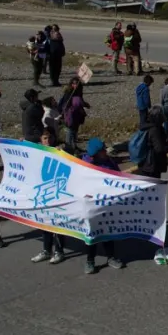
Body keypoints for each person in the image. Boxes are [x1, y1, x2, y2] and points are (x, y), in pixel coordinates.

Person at [82, 138, 125, 273]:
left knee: (108, 232)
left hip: (107, 204)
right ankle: (90, 261)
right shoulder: (85, 165)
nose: (105, 152)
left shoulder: (109, 162)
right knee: (92, 234)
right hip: (91, 205)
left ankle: (111, 257)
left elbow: (120, 177)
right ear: (95, 153)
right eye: (102, 150)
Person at [31, 129, 66, 264]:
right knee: (45, 223)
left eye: (50, 138)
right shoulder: (37, 152)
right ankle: (46, 250)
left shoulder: (60, 151)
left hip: (57, 194)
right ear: (40, 140)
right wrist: (22, 144)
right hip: (42, 193)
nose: (48, 141)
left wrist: (62, 150)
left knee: (57, 224)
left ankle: (59, 251)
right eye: (45, 138)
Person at [136, 107, 168, 179]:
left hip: (143, 164)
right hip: (152, 166)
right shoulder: (154, 130)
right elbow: (159, 149)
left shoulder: (145, 127)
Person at [60, 78, 90, 154]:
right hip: (69, 115)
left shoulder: (78, 92)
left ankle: (74, 146)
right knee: (70, 131)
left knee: (75, 131)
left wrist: (85, 104)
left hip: (76, 114)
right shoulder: (69, 93)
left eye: (76, 83)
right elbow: (65, 104)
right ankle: (69, 149)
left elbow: (81, 102)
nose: (75, 85)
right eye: (73, 83)